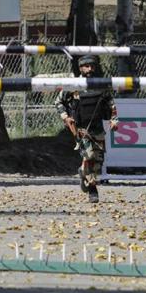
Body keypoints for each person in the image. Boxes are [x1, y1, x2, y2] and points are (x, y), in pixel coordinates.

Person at [55, 55, 118, 203]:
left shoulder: (100, 84)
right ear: (80, 68)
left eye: (92, 66)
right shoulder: (73, 85)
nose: (89, 69)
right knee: (89, 156)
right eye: (86, 66)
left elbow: (111, 104)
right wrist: (66, 117)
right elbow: (59, 102)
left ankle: (84, 173)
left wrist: (114, 120)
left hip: (98, 128)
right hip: (81, 129)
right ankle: (92, 190)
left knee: (98, 161)